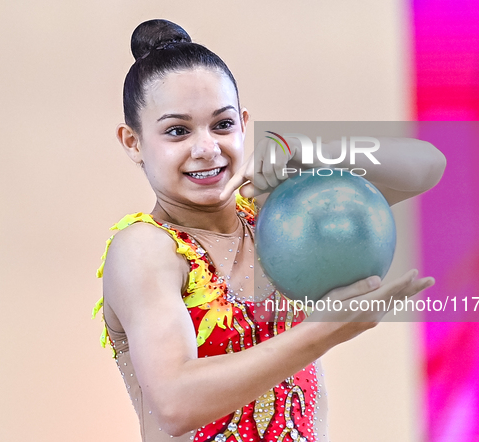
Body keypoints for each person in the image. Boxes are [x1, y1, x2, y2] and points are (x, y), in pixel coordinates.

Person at [92, 19, 446, 442]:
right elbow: (175, 402)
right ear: (133, 142)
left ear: (243, 124)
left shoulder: (279, 217)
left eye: (222, 124)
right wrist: (325, 330)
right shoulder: (146, 249)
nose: (207, 148)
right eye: (177, 131)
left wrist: (310, 150)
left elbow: (425, 167)